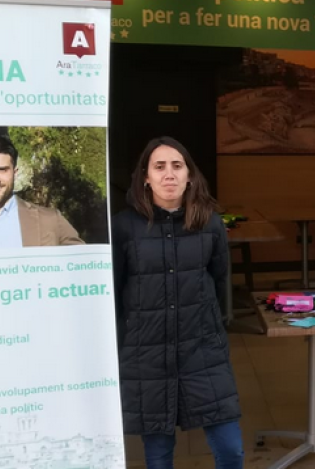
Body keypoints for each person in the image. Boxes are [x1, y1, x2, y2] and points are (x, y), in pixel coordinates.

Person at [111, 137, 242, 469]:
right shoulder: (125, 226)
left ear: (190, 176)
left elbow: (220, 280)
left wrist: (216, 328)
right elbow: (115, 289)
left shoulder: (210, 223)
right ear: (145, 177)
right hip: (147, 354)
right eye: (159, 166)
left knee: (231, 450)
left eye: (177, 165)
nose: (168, 174)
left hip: (202, 350)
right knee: (158, 456)